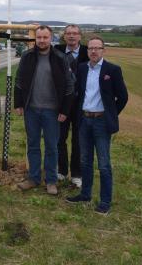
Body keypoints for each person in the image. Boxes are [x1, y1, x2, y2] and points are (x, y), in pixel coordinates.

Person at [66, 35, 128, 214]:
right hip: (84, 120)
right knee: (85, 161)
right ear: (87, 51)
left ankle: (105, 202)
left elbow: (123, 97)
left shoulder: (113, 70)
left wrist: (110, 115)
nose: (93, 51)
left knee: (103, 164)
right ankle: (85, 194)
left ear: (103, 50)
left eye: (97, 48)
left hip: (101, 122)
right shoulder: (82, 68)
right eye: (90, 48)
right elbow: (78, 93)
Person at [14, 25, 74, 195]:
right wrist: (18, 104)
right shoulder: (27, 56)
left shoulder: (60, 58)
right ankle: (33, 178)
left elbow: (69, 86)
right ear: (36, 39)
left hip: (52, 111)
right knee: (32, 145)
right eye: (39, 37)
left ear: (51, 38)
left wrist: (65, 110)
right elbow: (19, 81)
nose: (41, 40)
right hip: (31, 109)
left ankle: (51, 181)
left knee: (51, 147)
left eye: (45, 37)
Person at [55, 24, 89, 188]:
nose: (71, 36)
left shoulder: (87, 52)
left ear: (80, 36)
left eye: (74, 33)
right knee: (59, 139)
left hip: (81, 105)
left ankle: (77, 174)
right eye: (68, 33)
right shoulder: (57, 50)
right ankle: (61, 170)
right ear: (64, 36)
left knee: (78, 141)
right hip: (61, 104)